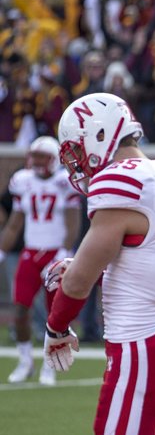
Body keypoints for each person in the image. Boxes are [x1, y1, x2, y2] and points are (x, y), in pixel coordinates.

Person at [42, 93, 155, 435]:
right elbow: (144, 254)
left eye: (76, 149)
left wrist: (56, 328)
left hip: (140, 347)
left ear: (98, 136)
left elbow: (77, 281)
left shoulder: (121, 183)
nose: (76, 161)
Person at [0, 136, 81, 386]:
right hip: (30, 252)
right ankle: (26, 361)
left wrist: (63, 252)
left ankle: (50, 365)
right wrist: (2, 250)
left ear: (54, 159)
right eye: (33, 156)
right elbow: (15, 224)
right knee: (20, 308)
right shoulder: (22, 182)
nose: (36, 162)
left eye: (41, 157)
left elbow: (72, 221)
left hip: (54, 253)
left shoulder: (63, 182)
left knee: (54, 314)